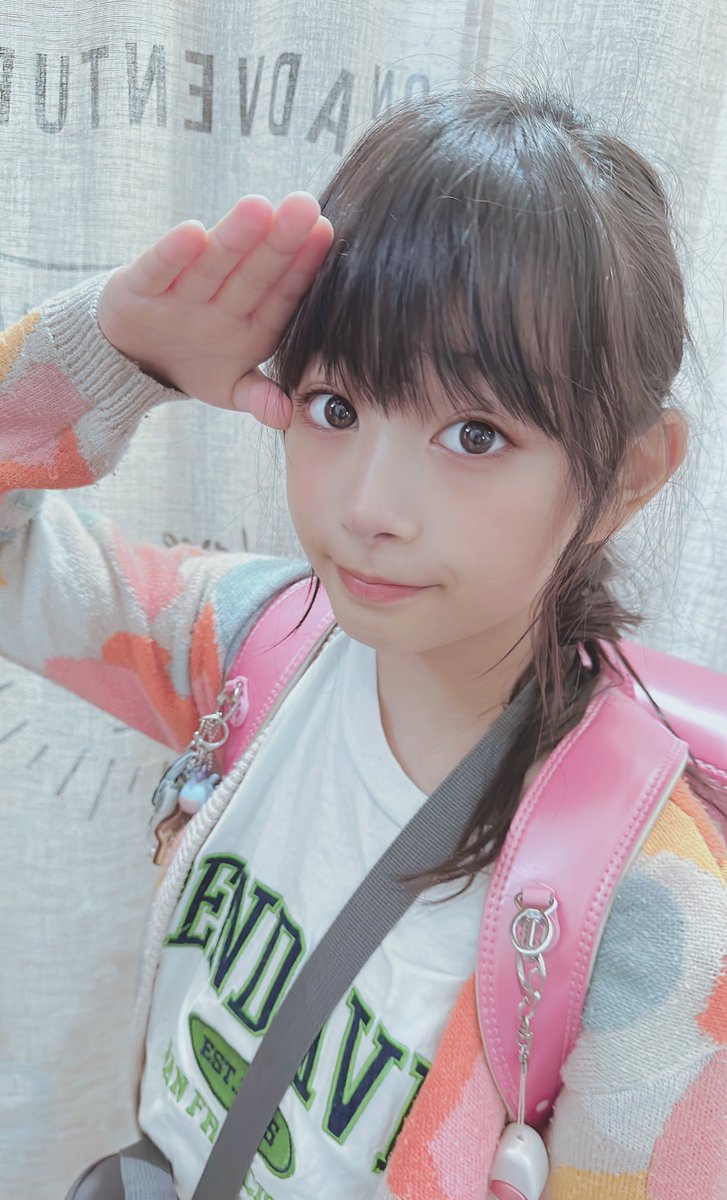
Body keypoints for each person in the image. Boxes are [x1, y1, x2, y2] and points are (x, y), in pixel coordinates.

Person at [1, 82, 725, 1200]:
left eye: (473, 434)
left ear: (627, 476)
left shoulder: (644, 906)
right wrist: (114, 350)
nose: (369, 507)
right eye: (336, 407)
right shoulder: (250, 639)